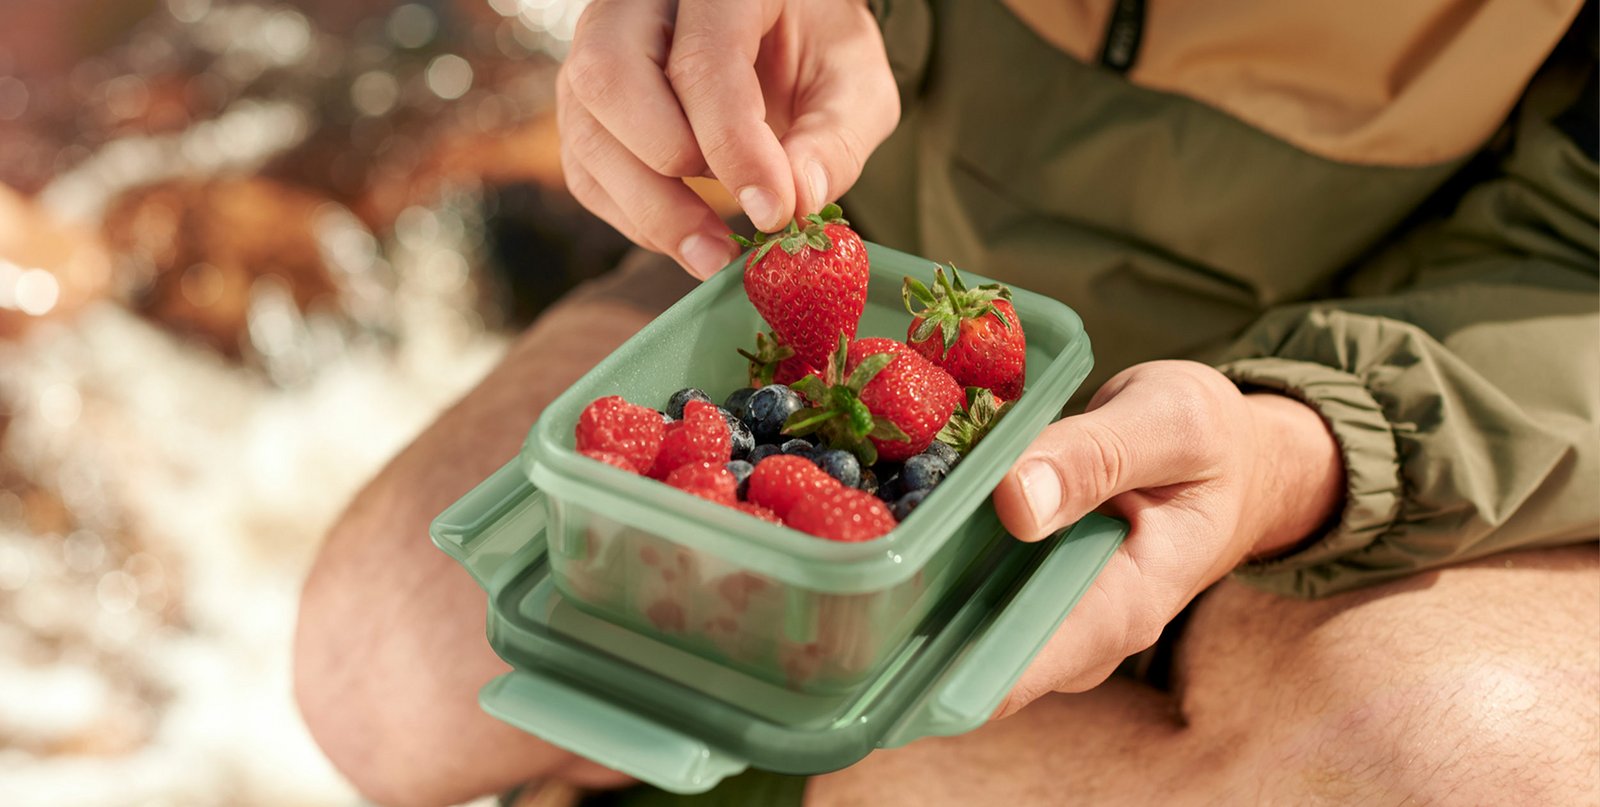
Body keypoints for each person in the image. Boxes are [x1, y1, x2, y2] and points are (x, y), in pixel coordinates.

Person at [293, 1, 1600, 804]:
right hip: (862, 271)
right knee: (376, 669)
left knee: (1470, 774)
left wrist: (1310, 446)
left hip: (1378, 376)